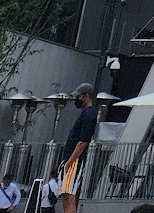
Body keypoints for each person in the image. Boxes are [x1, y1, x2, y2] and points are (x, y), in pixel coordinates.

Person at [59, 85, 99, 213]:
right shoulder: (86, 113)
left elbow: (83, 142)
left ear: (85, 95)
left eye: (78, 96)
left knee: (70, 196)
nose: (77, 99)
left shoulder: (89, 114)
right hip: (69, 159)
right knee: (66, 195)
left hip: (74, 161)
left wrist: (70, 162)